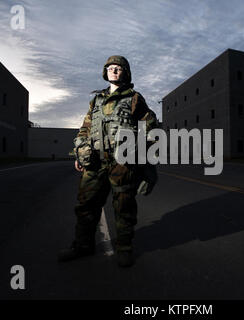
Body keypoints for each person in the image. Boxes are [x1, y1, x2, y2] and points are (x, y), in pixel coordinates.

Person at [58, 55, 157, 267]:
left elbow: (151, 127)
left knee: (124, 206)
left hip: (122, 163)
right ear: (105, 72)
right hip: (94, 162)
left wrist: (139, 149)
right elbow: (85, 128)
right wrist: (80, 151)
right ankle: (82, 246)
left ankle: (124, 248)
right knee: (85, 205)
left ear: (125, 72)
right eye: (110, 68)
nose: (114, 71)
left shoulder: (134, 98)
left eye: (118, 68)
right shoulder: (97, 100)